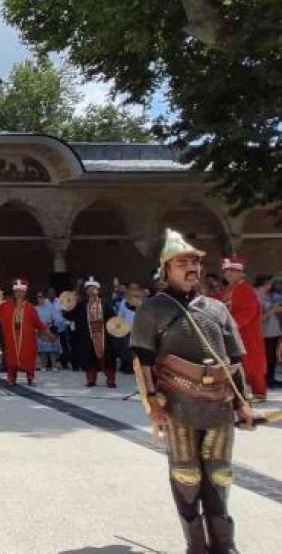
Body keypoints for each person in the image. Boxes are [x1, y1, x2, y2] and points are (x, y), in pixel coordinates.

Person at [131, 229, 258, 553]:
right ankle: (196, 545)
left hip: (219, 404)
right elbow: (144, 362)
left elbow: (235, 359)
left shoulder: (217, 309)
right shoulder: (152, 309)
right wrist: (151, 404)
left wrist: (244, 404)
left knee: (219, 475)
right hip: (178, 403)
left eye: (194, 262)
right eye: (181, 262)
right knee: (187, 475)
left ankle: (224, 544)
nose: (190, 268)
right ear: (166, 269)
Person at [221, 256, 267, 400]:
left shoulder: (245, 290)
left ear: (241, 273)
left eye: (233, 271)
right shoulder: (228, 289)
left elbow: (247, 311)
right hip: (233, 333)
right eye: (227, 271)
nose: (229, 273)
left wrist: (229, 325)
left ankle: (258, 393)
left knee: (252, 363)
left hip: (246, 333)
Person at [0, 279, 47, 386]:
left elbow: (37, 322)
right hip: (11, 337)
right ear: (14, 292)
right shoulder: (6, 305)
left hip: (27, 338)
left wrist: (45, 330)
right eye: (17, 291)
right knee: (11, 358)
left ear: (25, 293)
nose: (19, 293)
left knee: (29, 357)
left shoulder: (30, 307)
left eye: (21, 291)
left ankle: (30, 377)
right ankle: (11, 378)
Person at [67, 277, 118, 388]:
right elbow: (69, 315)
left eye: (94, 288)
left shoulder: (105, 304)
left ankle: (110, 379)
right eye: (89, 288)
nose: (92, 290)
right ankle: (91, 379)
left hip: (104, 336)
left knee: (107, 358)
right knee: (88, 357)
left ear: (98, 290)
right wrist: (70, 303)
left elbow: (112, 318)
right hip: (87, 336)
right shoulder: (81, 305)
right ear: (86, 291)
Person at [254, 275, 281, 389]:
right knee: (267, 358)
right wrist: (274, 310)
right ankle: (266, 380)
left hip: (273, 332)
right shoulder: (257, 296)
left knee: (272, 358)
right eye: (270, 283)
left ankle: (271, 378)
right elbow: (259, 318)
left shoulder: (267, 296)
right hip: (265, 333)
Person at [35, 290, 64, 371]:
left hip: (50, 329)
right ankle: (43, 366)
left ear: (44, 298)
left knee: (52, 350)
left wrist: (50, 322)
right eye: (38, 298)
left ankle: (54, 366)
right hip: (40, 330)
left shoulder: (51, 307)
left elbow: (55, 317)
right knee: (43, 350)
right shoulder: (35, 308)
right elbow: (34, 319)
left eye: (42, 298)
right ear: (37, 299)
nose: (40, 299)